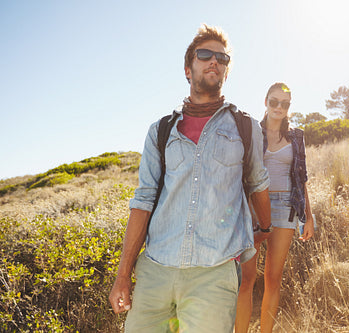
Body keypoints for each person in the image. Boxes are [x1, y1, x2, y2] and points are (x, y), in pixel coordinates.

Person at [109, 24, 272, 333]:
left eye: (222, 58)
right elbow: (143, 202)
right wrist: (122, 276)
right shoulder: (160, 131)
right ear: (188, 69)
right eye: (205, 54)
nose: (215, 61)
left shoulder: (246, 127)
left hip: (214, 275)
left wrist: (264, 228)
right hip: (156, 270)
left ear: (226, 72)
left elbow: (258, 183)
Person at [235, 82, 315, 333]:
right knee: (246, 279)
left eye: (285, 103)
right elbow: (242, 173)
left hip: (286, 209)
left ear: (289, 107)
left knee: (273, 279)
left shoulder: (296, 136)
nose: (279, 107)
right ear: (266, 102)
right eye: (274, 101)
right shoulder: (252, 134)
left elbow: (300, 178)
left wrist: (308, 217)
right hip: (255, 208)